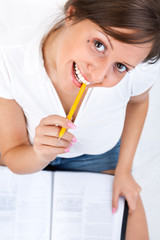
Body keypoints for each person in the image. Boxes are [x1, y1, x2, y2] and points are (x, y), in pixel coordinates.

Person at [0, 0, 160, 238]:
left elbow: (138, 102)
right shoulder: (10, 57)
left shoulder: (140, 67)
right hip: (27, 149)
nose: (97, 75)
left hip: (98, 158)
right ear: (72, 14)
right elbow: (11, 153)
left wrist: (124, 170)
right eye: (98, 45)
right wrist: (38, 154)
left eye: (119, 66)